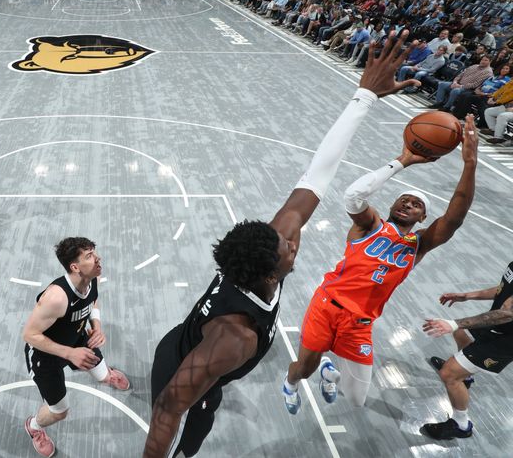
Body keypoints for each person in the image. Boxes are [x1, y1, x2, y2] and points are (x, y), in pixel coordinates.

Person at [143, 31, 420, 458]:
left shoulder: (268, 252)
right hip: (181, 362)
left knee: (205, 409)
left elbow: (318, 173)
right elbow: (165, 409)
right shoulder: (235, 338)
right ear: (271, 274)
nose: (294, 244)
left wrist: (364, 96)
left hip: (196, 345)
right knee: (193, 419)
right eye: (287, 249)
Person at [282, 116, 477, 413]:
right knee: (303, 368)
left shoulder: (419, 244)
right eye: (403, 200)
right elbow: (353, 196)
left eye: (416, 204)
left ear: (422, 218)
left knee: (357, 397)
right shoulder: (370, 226)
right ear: (392, 206)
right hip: (327, 305)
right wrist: (403, 160)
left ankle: (328, 369)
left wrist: (470, 164)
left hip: (360, 322)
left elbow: (454, 218)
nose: (407, 204)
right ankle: (291, 384)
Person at [22, 237, 130, 457]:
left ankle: (106, 375)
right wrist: (70, 353)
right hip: (46, 357)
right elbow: (29, 334)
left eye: (94, 252)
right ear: (75, 267)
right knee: (59, 412)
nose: (97, 258)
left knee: (101, 375)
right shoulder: (56, 297)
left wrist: (96, 327)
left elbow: (93, 302)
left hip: (76, 339)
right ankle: (34, 427)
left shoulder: (91, 278)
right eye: (89, 256)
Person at [420, 260, 513, 439]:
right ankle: (466, 375)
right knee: (461, 330)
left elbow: (507, 313)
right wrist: (468, 295)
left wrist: (454, 323)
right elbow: (504, 288)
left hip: (506, 340)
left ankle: (461, 425)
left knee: (448, 373)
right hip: (499, 325)